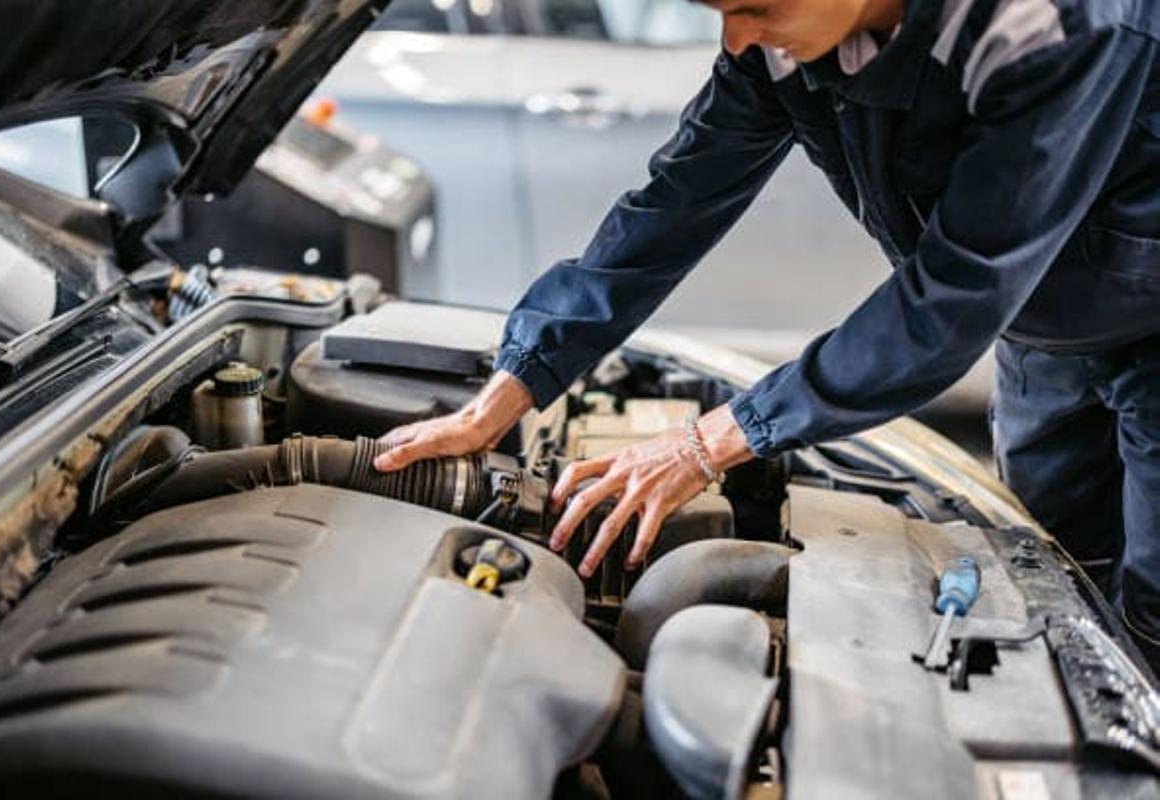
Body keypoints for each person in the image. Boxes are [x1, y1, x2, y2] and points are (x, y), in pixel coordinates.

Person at [375, 0, 1160, 666]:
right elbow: (674, 202)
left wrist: (710, 443)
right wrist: (508, 390)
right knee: (1057, 592)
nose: (741, 38)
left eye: (757, 7)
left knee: (1151, 619)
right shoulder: (776, 42)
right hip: (1043, 333)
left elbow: (953, 297)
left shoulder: (1052, 26)